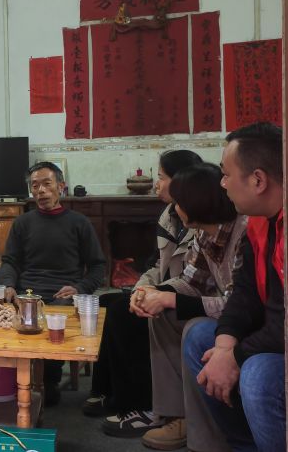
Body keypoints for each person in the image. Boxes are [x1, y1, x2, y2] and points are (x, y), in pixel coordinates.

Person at [84, 150, 202, 437]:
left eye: (161, 177)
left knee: (124, 313)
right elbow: (156, 264)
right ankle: (108, 391)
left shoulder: (200, 218)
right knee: (108, 301)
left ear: (182, 181)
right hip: (166, 287)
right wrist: (141, 288)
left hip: (187, 295)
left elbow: (193, 278)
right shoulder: (169, 214)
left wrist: (155, 294)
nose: (157, 184)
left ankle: (142, 405)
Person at [131, 163, 246, 452]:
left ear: (196, 203)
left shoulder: (243, 232)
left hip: (245, 323)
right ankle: (175, 416)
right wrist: (154, 292)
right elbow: (191, 281)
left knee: (194, 326)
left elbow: (238, 305)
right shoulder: (204, 233)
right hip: (226, 314)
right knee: (160, 314)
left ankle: (206, 440)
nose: (174, 208)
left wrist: (170, 299)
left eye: (179, 201)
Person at [184, 122, 284, 451]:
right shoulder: (260, 222)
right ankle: (243, 445)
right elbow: (245, 294)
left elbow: (283, 324)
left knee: (257, 374)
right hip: (272, 335)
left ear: (258, 180)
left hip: (280, 340)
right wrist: (226, 345)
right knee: (201, 337)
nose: (222, 184)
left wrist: (235, 356)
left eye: (226, 175)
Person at [0, 161, 105, 403]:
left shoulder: (79, 223)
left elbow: (98, 266)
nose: (41, 191)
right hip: (27, 293)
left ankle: (48, 381)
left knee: (55, 320)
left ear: (61, 187)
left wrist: (79, 289)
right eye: (35, 185)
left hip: (63, 294)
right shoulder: (22, 223)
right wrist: (8, 285)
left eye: (47, 184)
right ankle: (11, 377)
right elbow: (10, 261)